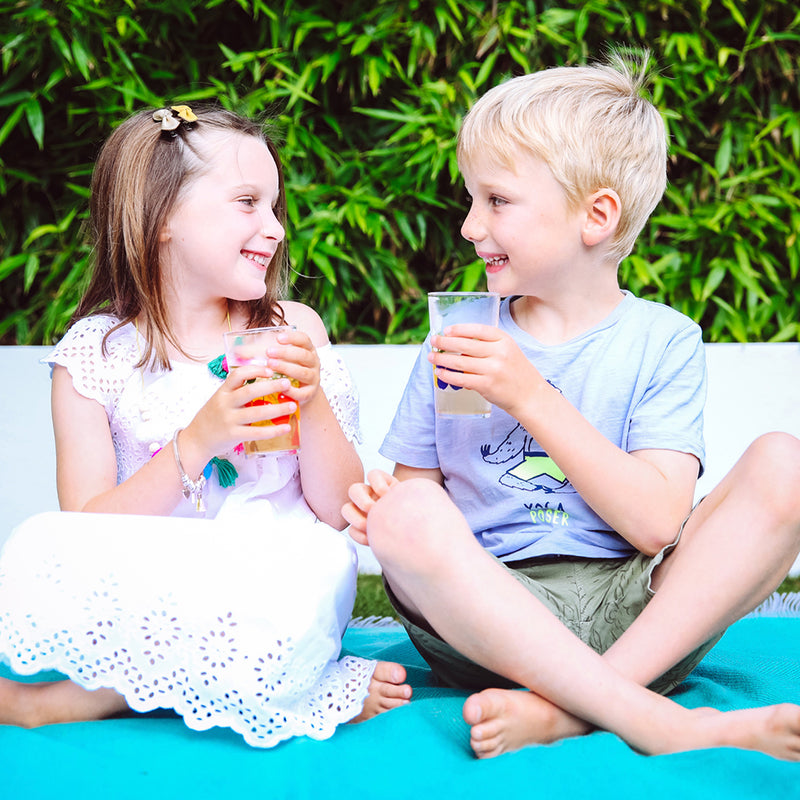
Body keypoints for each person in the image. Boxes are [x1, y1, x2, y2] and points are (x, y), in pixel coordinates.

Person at [343, 52, 800, 760]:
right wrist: (384, 507)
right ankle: (645, 717)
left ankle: (574, 707)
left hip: (640, 616)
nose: (469, 226)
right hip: (493, 620)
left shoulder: (661, 341)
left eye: (496, 201)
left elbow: (655, 524)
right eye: (472, 200)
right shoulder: (463, 336)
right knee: (405, 515)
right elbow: (418, 500)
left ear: (596, 216)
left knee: (787, 465)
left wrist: (528, 395)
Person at [0, 103, 410, 747]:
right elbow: (84, 526)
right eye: (247, 203)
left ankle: (102, 693)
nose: (273, 229)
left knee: (302, 572)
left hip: (272, 573)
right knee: (34, 542)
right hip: (156, 574)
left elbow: (337, 513)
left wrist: (312, 402)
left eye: (275, 207)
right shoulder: (99, 353)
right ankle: (247, 680)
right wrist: (198, 441)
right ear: (163, 218)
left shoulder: (292, 329)